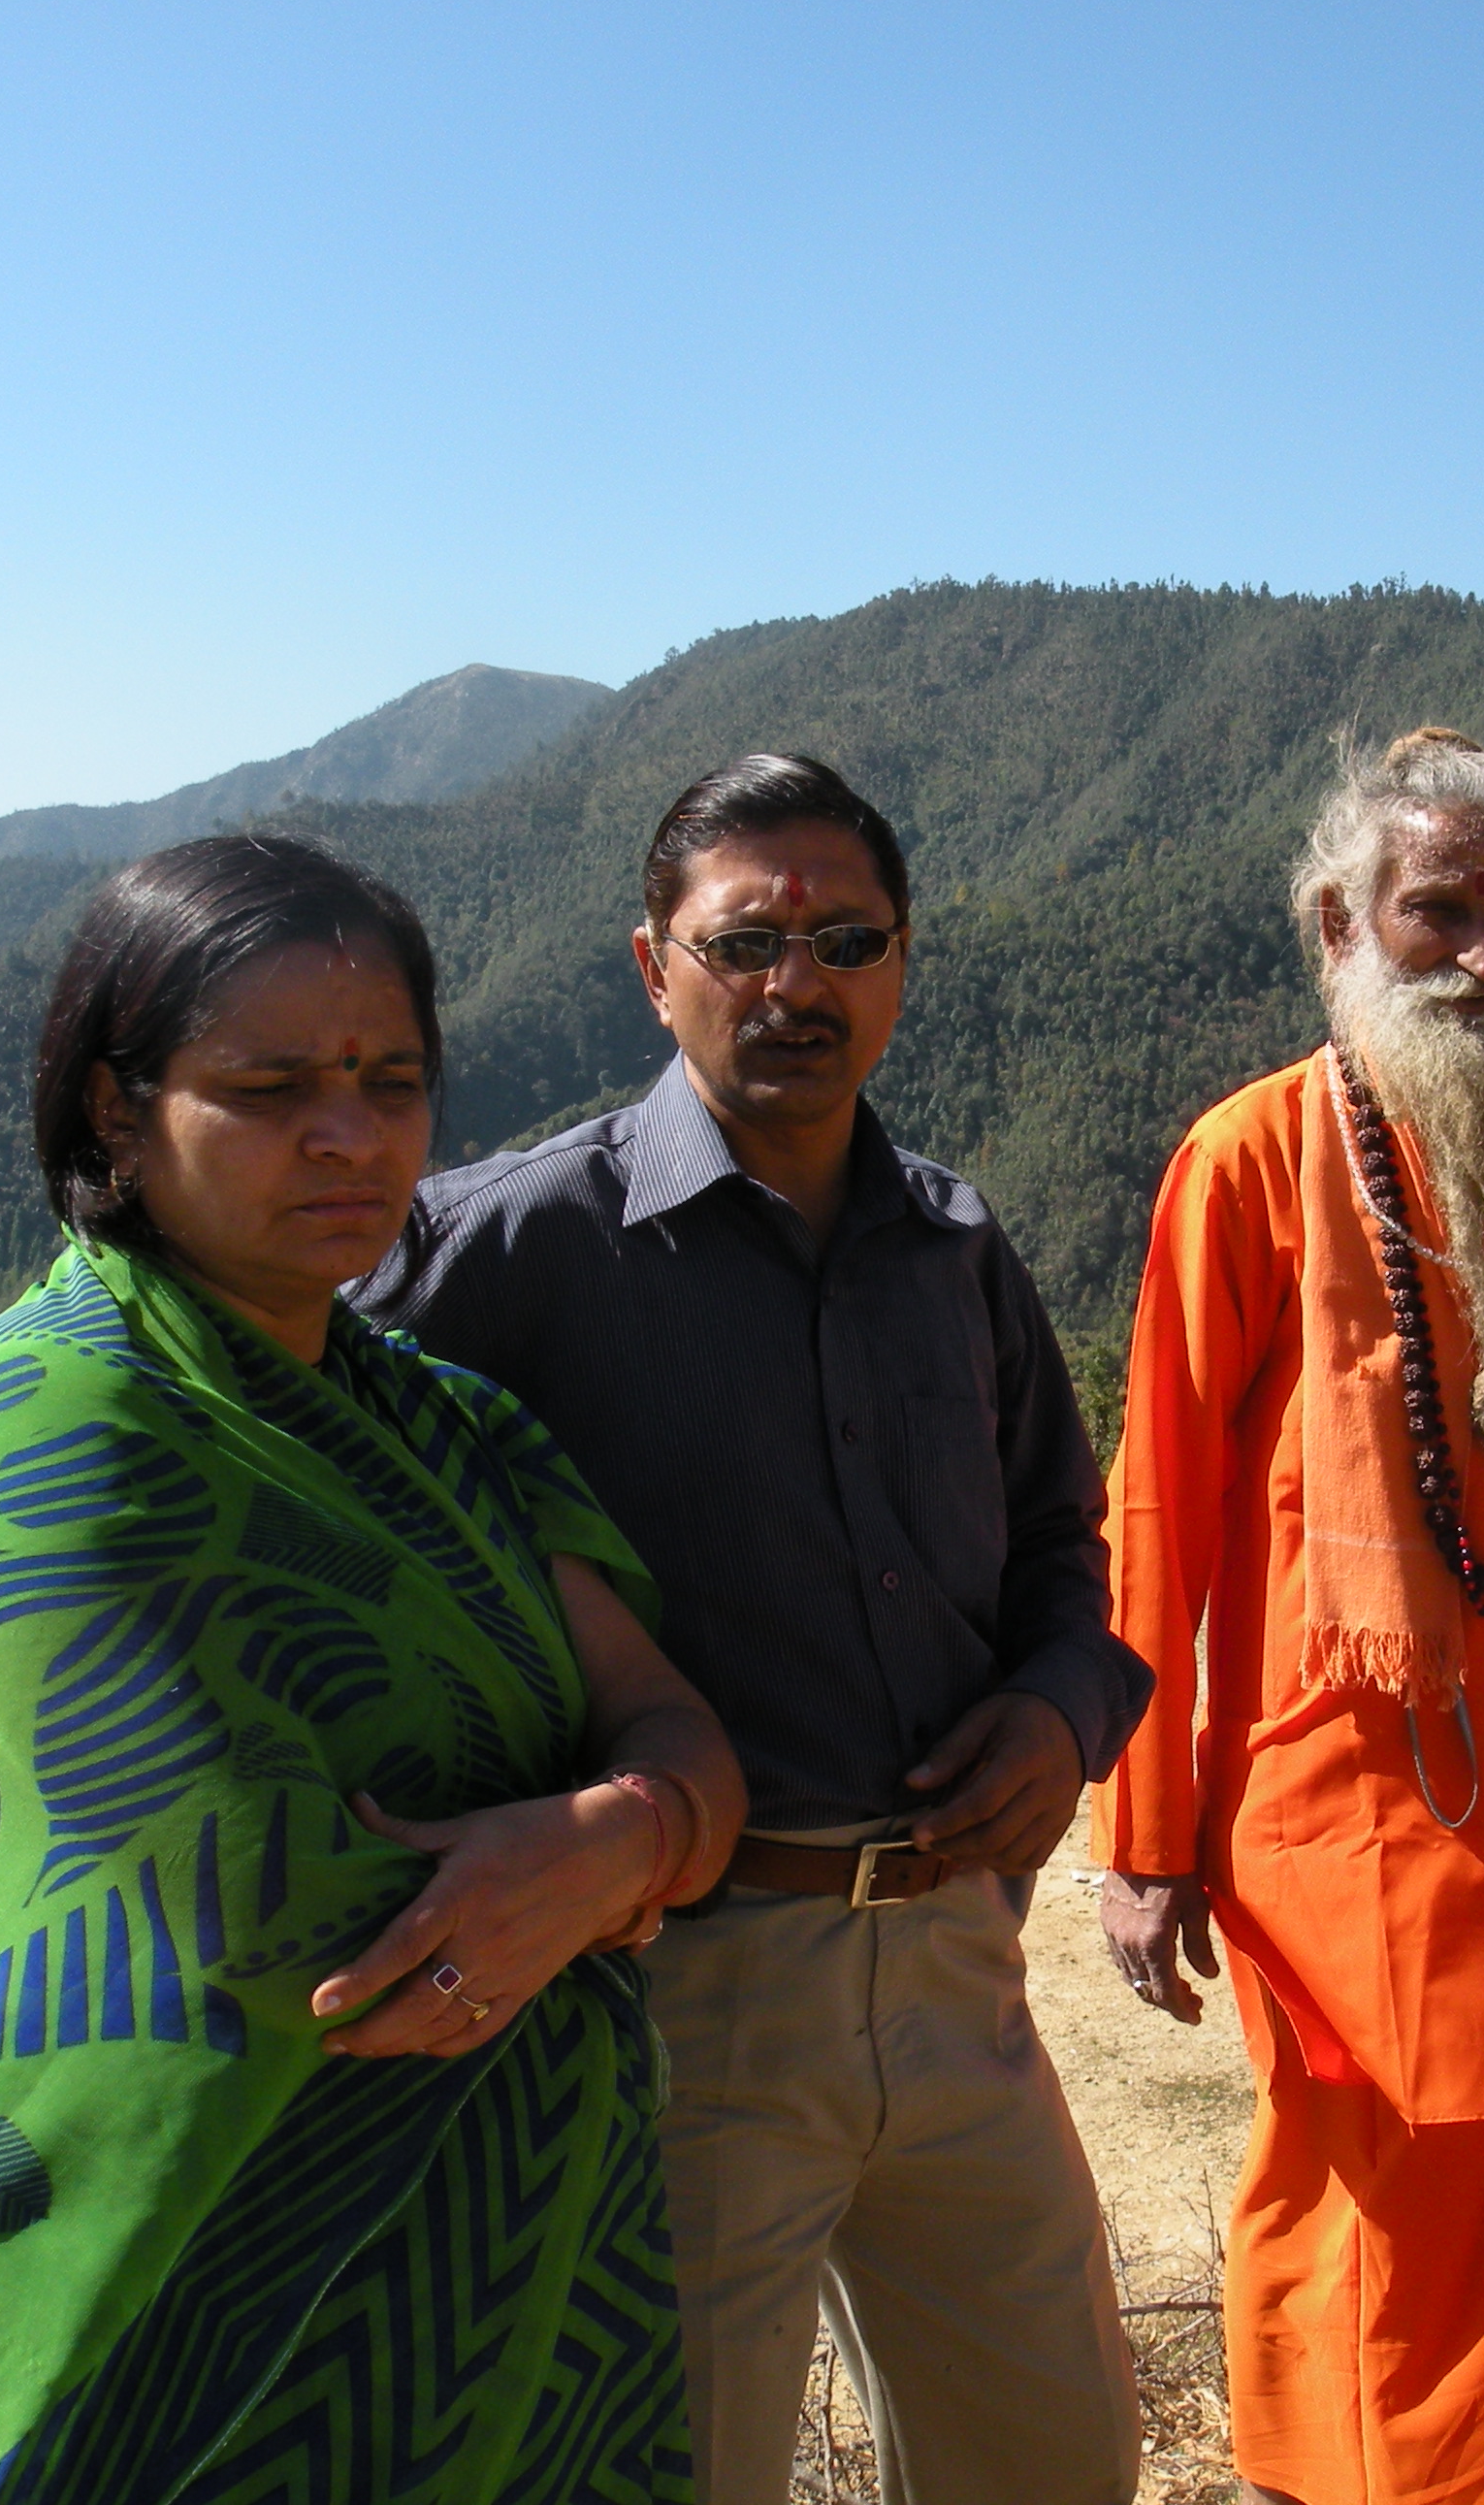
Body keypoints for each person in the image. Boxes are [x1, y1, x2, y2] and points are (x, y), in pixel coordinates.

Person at [0, 835, 744, 2505]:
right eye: (269, 1088)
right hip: (176, 2298)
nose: (351, 1134)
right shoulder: (43, 1426)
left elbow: (677, 1732)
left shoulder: (450, 1422)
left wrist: (617, 1839)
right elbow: (273, 1915)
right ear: (117, 1110)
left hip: (521, 2289)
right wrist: (621, 1854)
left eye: (391, 1081)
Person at [351, 756, 1151, 2505]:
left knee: (1055, 2457)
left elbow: (1059, 1543)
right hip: (678, 1996)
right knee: (679, 2470)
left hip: (957, 1974)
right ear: (657, 969)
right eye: (744, 943)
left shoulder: (952, 1243)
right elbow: (307, 1488)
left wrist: (1060, 1710)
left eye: (846, 941)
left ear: (902, 963)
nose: (798, 983)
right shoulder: (509, 1249)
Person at [1096, 726, 1484, 2505]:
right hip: (1343, 1805)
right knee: (1364, 2208)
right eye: (1440, 910)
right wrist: (1145, 1836)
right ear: (1338, 924)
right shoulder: (1247, 1157)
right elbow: (1157, 1511)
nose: (1483, 955)